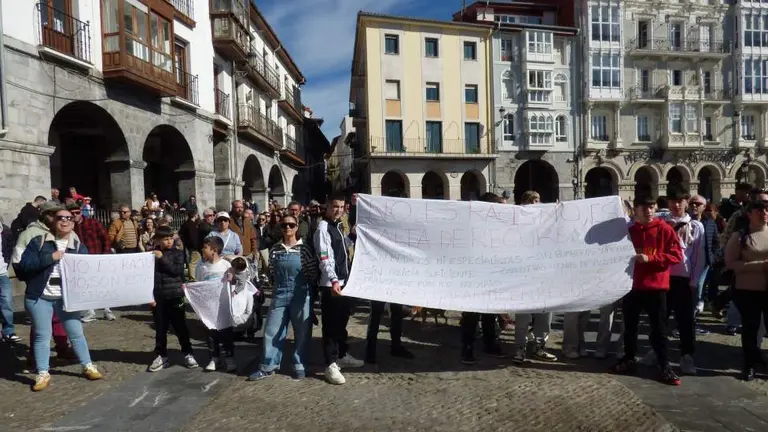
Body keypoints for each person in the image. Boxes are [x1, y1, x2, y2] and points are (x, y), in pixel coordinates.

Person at [18, 205, 103, 391]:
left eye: (69, 218)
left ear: (73, 223)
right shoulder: (39, 242)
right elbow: (24, 265)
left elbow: (86, 274)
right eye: (60, 218)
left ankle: (88, 365)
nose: (65, 221)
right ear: (53, 221)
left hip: (66, 298)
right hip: (40, 296)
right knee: (42, 335)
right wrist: (51, 257)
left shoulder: (79, 247)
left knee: (76, 333)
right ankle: (42, 373)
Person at [612, 195, 683, 385]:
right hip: (631, 286)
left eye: (651, 207)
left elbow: (676, 255)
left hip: (656, 287)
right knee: (629, 327)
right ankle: (629, 359)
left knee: (659, 329)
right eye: (644, 207)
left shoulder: (665, 229)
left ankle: (664, 365)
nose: (648, 211)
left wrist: (651, 259)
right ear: (635, 210)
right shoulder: (627, 232)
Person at [249, 214, 318, 381]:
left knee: (302, 332)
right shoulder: (275, 249)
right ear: (280, 228)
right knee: (272, 330)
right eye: (284, 225)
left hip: (301, 294)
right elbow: (272, 272)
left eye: (291, 225)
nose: (287, 228)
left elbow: (312, 274)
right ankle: (268, 366)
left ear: (297, 228)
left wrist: (310, 296)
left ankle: (299, 364)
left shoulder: (305, 249)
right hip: (279, 293)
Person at [315, 194, 361, 385]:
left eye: (341, 207)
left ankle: (342, 354)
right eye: (335, 206)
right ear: (327, 206)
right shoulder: (323, 228)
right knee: (331, 326)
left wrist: (352, 235)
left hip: (343, 282)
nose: (338, 210)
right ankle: (330, 364)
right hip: (331, 285)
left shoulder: (338, 226)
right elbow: (324, 257)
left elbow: (342, 249)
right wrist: (334, 280)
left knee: (342, 322)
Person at [458, 192, 504, 364]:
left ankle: (490, 343)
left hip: (491, 274)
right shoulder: (471, 226)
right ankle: (467, 347)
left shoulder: (498, 226)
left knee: (490, 313)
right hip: (473, 277)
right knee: (471, 315)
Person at [725, 200, 768, 381]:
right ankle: (748, 365)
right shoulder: (740, 236)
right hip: (748, 290)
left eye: (767, 210)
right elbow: (730, 263)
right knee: (751, 328)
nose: (764, 213)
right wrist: (760, 266)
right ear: (750, 214)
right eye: (759, 210)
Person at [512, 190, 557, 363]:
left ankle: (539, 347)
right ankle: (520, 348)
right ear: (523, 204)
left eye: (537, 200)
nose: (534, 204)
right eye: (530, 201)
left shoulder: (547, 223)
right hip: (523, 277)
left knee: (545, 315)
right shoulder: (516, 224)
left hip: (544, 276)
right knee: (523, 316)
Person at [148, 225, 198, 372]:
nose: (169, 241)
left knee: (180, 326)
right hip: (159, 297)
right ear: (157, 240)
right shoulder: (151, 255)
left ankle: (188, 353)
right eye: (165, 239)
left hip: (175, 295)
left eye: (171, 238)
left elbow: (176, 271)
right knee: (160, 328)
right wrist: (149, 297)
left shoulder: (178, 253)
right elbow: (147, 277)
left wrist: (162, 258)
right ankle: (161, 355)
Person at [69, 202, 116, 323]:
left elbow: (105, 238)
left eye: (77, 212)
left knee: (103, 285)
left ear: (81, 212)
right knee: (86, 286)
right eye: (72, 213)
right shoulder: (70, 227)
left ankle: (107, 310)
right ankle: (90, 311)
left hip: (98, 258)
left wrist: (105, 255)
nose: (75, 215)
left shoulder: (93, 222)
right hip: (82, 262)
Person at [195, 236, 236, 373]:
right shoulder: (202, 267)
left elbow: (234, 280)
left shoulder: (225, 265)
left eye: (205, 247)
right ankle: (214, 357)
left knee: (226, 333)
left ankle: (229, 357)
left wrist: (232, 277)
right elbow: (199, 285)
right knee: (211, 333)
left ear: (213, 250)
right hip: (209, 307)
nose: (202, 249)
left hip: (224, 306)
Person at [0, 221, 18, 343]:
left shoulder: (5, 231)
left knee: (7, 302)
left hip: (2, 272)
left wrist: (6, 264)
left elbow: (9, 249)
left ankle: (8, 331)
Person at [179, 210, 202, 281]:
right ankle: (193, 278)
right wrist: (196, 247)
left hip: (188, 246)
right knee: (193, 263)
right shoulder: (192, 225)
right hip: (193, 247)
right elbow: (193, 237)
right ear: (195, 215)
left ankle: (192, 277)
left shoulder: (185, 224)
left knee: (192, 262)